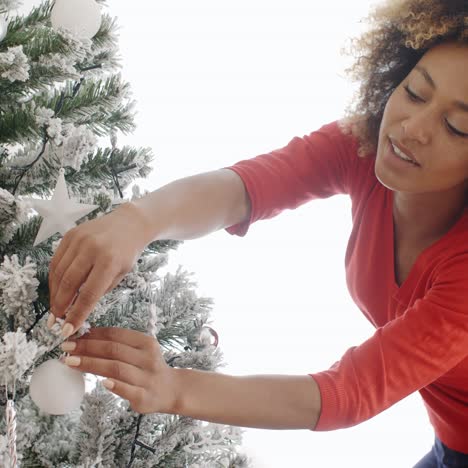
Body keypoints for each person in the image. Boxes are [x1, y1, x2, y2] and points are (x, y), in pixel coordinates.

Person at [47, 0, 468, 466]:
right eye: (414, 93)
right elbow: (246, 188)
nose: (413, 128)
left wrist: (175, 388)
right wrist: (137, 220)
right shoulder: (365, 146)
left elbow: (350, 392)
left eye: (456, 127)